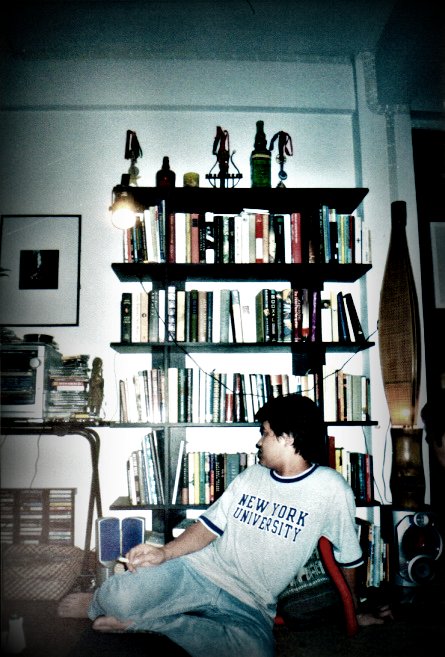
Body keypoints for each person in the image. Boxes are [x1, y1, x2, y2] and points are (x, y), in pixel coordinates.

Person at [58, 393, 391, 657]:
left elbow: (350, 559)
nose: (259, 442)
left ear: (287, 438)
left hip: (251, 602)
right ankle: (97, 602)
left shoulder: (331, 489)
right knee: (119, 596)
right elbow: (207, 528)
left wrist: (355, 609)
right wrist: (164, 553)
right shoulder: (250, 476)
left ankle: (145, 624)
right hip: (199, 572)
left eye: (265, 433)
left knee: (255, 652)